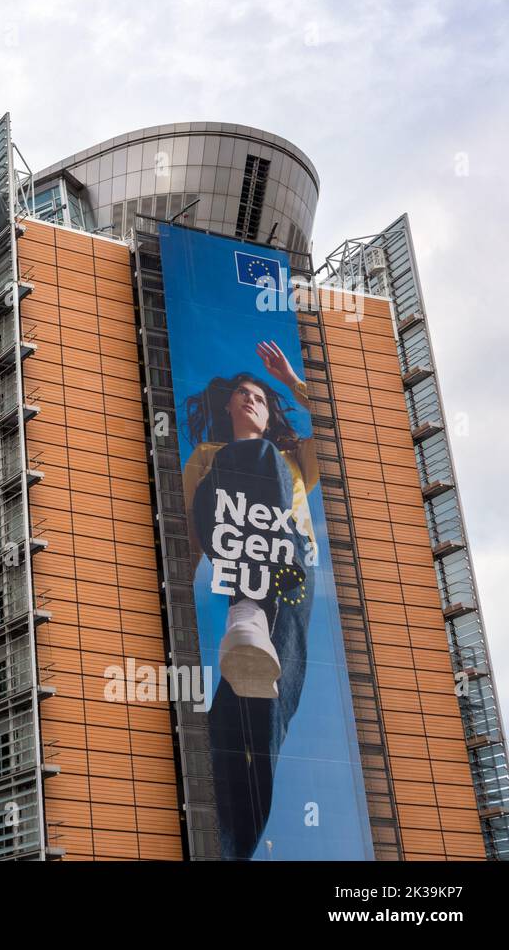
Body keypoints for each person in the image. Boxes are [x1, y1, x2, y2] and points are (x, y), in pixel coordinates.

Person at [180, 341, 318, 859]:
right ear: (228, 406)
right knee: (247, 720)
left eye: (259, 395)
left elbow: (342, 425)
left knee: (261, 713)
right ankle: (248, 609)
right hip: (238, 558)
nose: (250, 398)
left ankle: (248, 612)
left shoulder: (294, 457)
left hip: (293, 573)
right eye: (241, 393)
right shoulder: (207, 460)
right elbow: (191, 535)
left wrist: (290, 379)